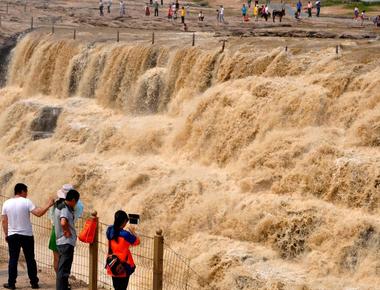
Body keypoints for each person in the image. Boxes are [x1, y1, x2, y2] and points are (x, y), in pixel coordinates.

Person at [1, 183, 54, 289]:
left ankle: (11, 284)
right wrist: (48, 205)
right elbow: (38, 213)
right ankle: (34, 283)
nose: (27, 194)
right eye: (26, 192)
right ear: (22, 191)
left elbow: (4, 221)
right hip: (26, 235)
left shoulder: (6, 203)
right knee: (30, 259)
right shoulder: (26, 202)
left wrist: (6, 234)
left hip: (13, 235)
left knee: (13, 260)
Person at [48, 185, 83, 274]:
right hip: (66, 232)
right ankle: (63, 282)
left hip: (54, 231)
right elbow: (70, 221)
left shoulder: (55, 204)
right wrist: (66, 230)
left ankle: (59, 280)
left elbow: (51, 218)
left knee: (57, 259)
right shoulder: (77, 206)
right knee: (65, 261)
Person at [106, 210, 140, 290]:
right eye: (126, 221)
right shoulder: (126, 235)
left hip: (112, 264)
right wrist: (133, 232)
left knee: (116, 287)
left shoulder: (110, 230)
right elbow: (137, 242)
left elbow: (113, 228)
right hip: (123, 266)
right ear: (124, 222)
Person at [54, 189, 80, 290]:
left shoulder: (60, 206)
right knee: (64, 271)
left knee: (62, 269)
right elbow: (63, 222)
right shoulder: (65, 209)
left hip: (61, 242)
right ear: (73, 200)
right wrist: (66, 231)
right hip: (66, 242)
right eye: (76, 201)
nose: (76, 204)